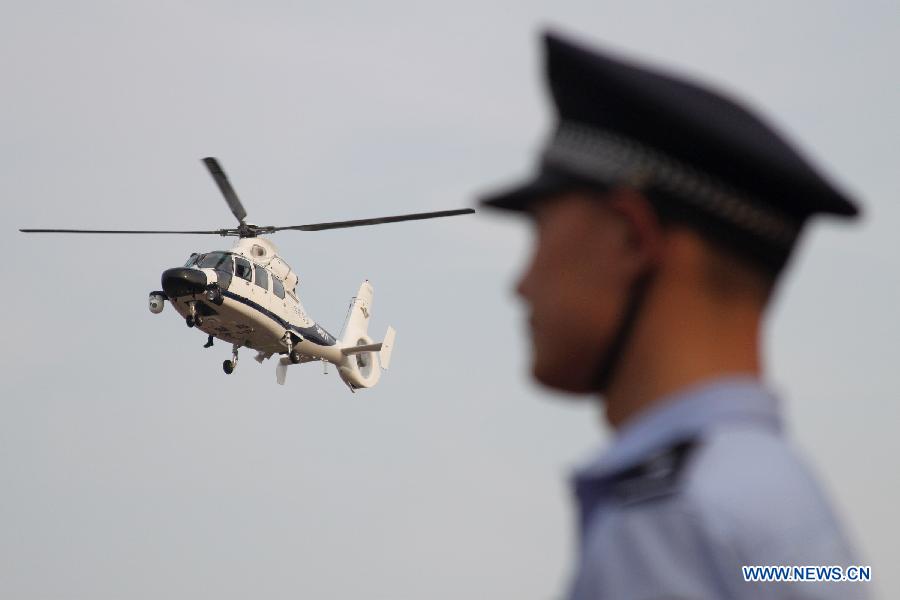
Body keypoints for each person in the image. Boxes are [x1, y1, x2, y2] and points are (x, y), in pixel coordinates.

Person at [479, 31, 870, 599]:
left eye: (540, 232)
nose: (521, 284)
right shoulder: (781, 497)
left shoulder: (666, 523)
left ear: (632, 238)